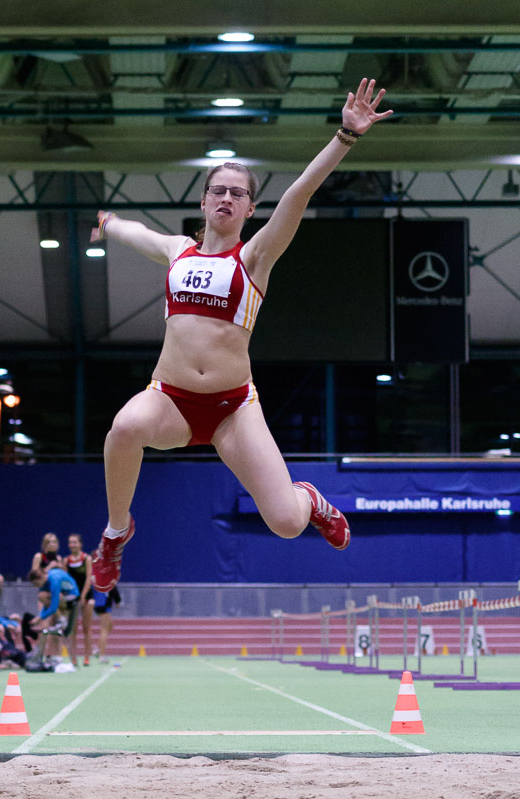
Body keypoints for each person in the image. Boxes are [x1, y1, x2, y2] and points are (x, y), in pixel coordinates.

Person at [89, 78, 393, 591]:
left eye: (238, 193)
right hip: (171, 400)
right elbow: (136, 234)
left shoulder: (254, 257)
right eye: (218, 190)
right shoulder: (177, 251)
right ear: (204, 201)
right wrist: (109, 222)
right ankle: (117, 533)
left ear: (250, 209)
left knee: (287, 523)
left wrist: (345, 136)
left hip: (233, 409)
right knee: (123, 428)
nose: (227, 198)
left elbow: (298, 194)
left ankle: (311, 499)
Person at [64, 533, 94, 666]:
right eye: (70, 542)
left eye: (74, 542)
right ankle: (73, 657)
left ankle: (87, 657)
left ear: (80, 544)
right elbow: (66, 580)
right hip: (72, 597)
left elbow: (88, 578)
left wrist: (82, 596)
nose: (72, 545)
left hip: (86, 596)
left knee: (86, 627)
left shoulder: (86, 558)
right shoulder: (67, 561)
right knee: (73, 628)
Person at [92, 586, 121, 664]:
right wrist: (118, 601)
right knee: (104, 629)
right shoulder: (108, 577)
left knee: (109, 626)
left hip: (99, 603)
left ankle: (98, 649)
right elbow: (114, 589)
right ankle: (101, 656)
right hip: (104, 603)